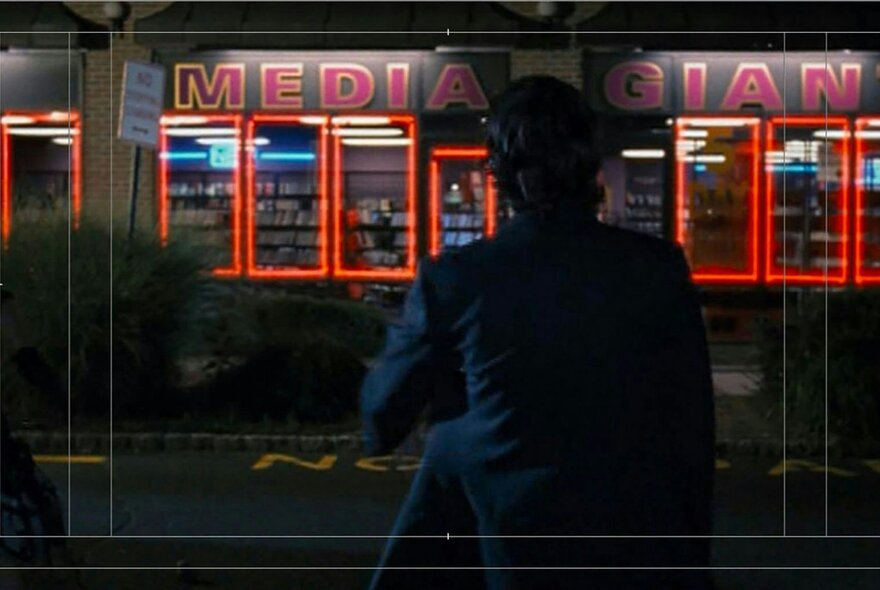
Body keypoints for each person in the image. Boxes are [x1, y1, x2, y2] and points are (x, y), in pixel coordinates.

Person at [360, 76, 715, 589]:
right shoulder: (658, 269)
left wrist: (450, 406)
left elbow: (380, 422)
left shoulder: (457, 279)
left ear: (502, 174)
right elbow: (692, 430)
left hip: (512, 546)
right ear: (589, 165)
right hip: (636, 546)